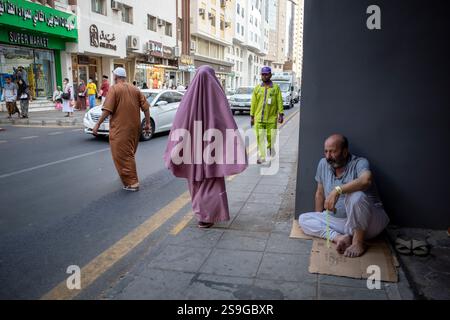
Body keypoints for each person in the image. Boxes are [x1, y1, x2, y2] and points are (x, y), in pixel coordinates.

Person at [164, 65, 248, 228]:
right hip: (212, 148)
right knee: (212, 180)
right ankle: (209, 215)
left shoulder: (188, 98)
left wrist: (177, 147)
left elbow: (179, 124)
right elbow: (226, 121)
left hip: (192, 150)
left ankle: (202, 215)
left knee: (196, 182)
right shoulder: (217, 96)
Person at [298, 134, 390, 258]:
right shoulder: (323, 164)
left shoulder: (359, 163)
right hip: (341, 223)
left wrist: (338, 190)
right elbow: (319, 193)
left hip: (369, 223)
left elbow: (365, 180)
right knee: (304, 219)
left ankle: (358, 242)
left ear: (345, 152)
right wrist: (319, 217)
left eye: (332, 152)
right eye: (326, 151)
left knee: (356, 196)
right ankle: (340, 238)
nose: (328, 156)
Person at [93, 67, 151, 192]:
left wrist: (97, 124)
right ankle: (127, 177)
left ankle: (132, 183)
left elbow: (107, 110)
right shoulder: (135, 89)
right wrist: (147, 124)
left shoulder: (114, 89)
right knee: (129, 153)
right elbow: (146, 107)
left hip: (121, 129)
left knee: (123, 155)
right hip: (134, 128)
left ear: (115, 77)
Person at [250, 66, 284, 164]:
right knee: (260, 137)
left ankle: (270, 147)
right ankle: (262, 156)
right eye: (263, 74)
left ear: (270, 75)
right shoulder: (257, 88)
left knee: (271, 137)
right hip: (259, 118)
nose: (264, 76)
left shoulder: (275, 88)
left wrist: (280, 114)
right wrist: (252, 116)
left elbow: (279, 101)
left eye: (266, 74)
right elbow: (253, 103)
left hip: (271, 118)